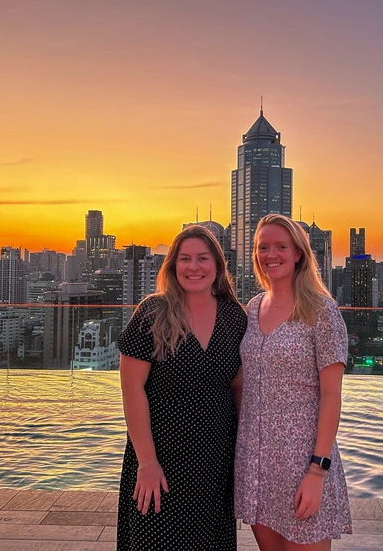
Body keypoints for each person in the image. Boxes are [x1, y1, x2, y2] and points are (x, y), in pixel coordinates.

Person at [116, 225, 247, 551]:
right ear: (173, 266)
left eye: (203, 258)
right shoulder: (152, 312)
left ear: (217, 265)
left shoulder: (234, 316)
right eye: (185, 259)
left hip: (216, 463)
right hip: (160, 461)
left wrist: (246, 456)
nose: (194, 267)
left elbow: (239, 387)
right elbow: (132, 389)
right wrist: (147, 462)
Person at [235, 214, 352, 550]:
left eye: (281, 246)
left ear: (298, 253)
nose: (271, 254)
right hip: (256, 464)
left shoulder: (322, 311)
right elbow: (244, 383)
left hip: (303, 463)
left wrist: (317, 472)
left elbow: (331, 396)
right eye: (263, 247)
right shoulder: (254, 307)